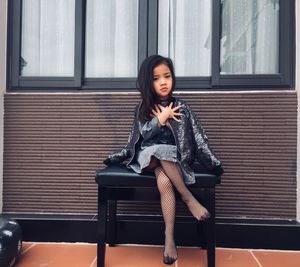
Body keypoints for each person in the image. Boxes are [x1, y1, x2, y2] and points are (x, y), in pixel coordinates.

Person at [104, 55, 223, 265]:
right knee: (157, 150)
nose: (163, 82)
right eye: (156, 78)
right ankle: (188, 197)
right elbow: (142, 136)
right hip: (146, 159)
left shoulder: (182, 107)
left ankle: (169, 238)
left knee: (165, 181)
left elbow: (198, 138)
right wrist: (160, 119)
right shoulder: (143, 107)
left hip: (170, 164)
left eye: (167, 76)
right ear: (147, 82)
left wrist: (213, 163)